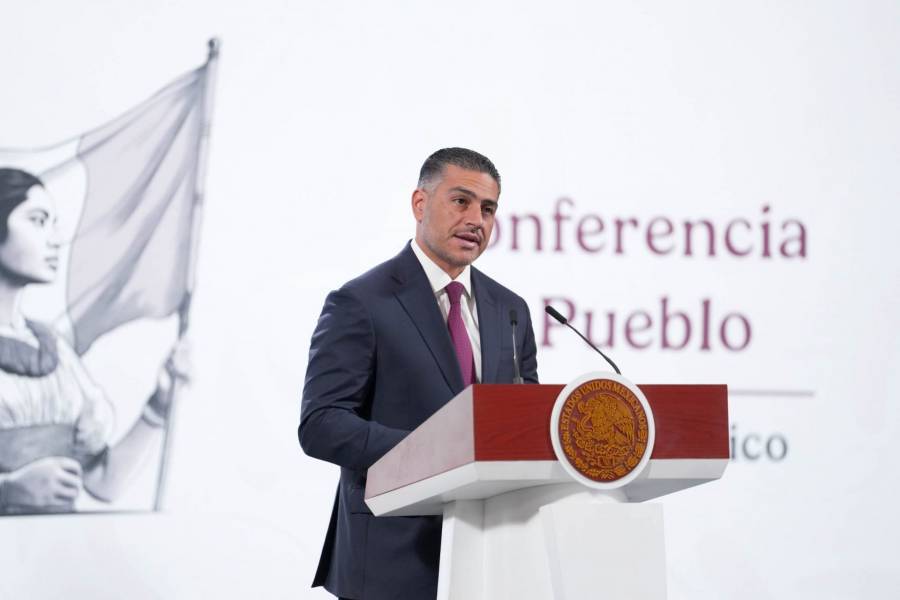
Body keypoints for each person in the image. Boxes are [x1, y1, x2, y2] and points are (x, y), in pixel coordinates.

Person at [299, 148, 539, 600]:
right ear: (420, 203)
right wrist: (433, 451)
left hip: (490, 558)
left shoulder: (510, 310)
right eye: (461, 201)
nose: (476, 220)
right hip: (390, 558)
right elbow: (321, 425)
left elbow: (524, 420)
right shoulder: (361, 301)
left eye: (488, 209)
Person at [0, 167, 187, 515]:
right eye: (38, 221)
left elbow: (104, 482)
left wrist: (159, 403)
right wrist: (8, 489)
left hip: (55, 546)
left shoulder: (54, 351)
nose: (55, 239)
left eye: (54, 224)